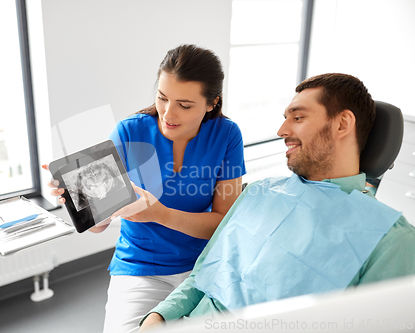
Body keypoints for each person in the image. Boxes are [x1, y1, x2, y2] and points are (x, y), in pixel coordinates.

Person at [140, 73, 415, 330]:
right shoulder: (258, 192)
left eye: (297, 118)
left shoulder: (390, 239)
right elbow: (203, 274)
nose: (281, 130)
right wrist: (159, 316)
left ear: (342, 123)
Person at [44, 44, 246, 333]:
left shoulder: (227, 135)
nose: (168, 113)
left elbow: (223, 224)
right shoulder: (129, 132)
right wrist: (81, 202)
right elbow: (99, 226)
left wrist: (160, 214)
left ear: (212, 103)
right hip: (140, 267)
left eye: (184, 105)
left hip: (204, 266)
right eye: (162, 98)